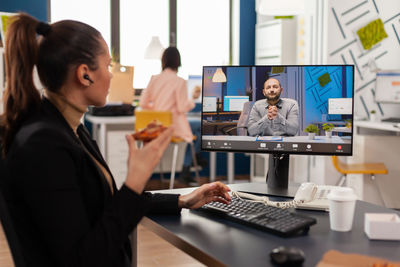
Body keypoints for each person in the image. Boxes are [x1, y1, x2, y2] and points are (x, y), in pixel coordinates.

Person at [0, 13, 230, 267]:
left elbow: (103, 205)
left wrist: (182, 200)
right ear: (85, 74)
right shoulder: (43, 146)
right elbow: (83, 259)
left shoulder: (69, 128)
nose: (111, 75)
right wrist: (134, 181)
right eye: (108, 66)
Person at [139, 47, 202, 184]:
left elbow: (143, 102)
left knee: (195, 131)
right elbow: (182, 107)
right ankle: (189, 164)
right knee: (201, 127)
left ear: (163, 61)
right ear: (178, 62)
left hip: (156, 127)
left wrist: (157, 110)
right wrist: (192, 99)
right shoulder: (179, 81)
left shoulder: (154, 79)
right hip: (173, 129)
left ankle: (194, 157)